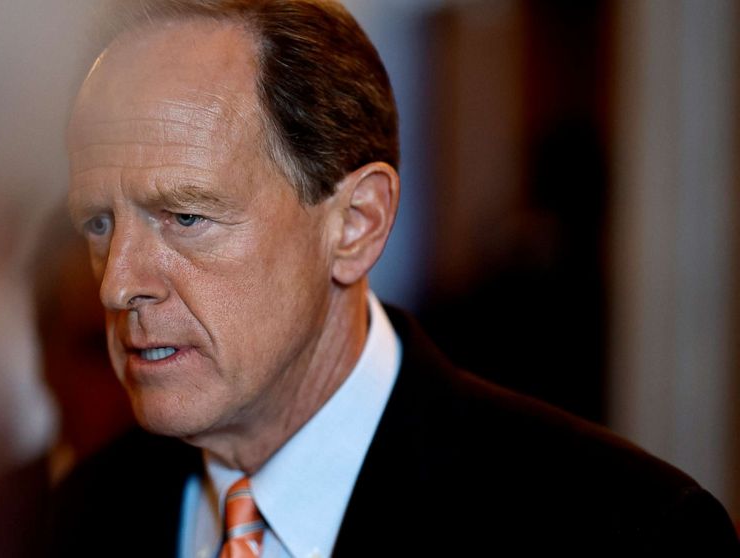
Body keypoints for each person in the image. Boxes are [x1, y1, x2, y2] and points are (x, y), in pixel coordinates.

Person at [50, 0, 739, 555]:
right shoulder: (71, 520)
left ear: (356, 224)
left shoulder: (628, 534)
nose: (117, 285)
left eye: (186, 216)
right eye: (99, 224)